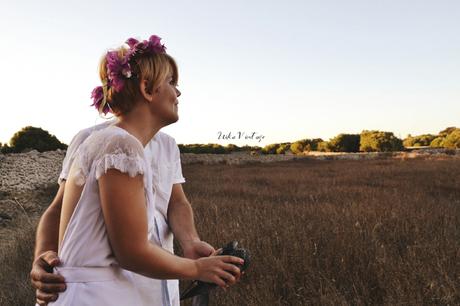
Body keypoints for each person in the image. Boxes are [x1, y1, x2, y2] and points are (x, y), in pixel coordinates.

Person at [30, 35, 243, 305]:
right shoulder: (116, 144)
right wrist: (198, 269)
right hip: (102, 291)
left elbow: (177, 202)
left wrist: (190, 243)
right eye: (171, 82)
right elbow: (127, 250)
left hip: (157, 277)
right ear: (146, 88)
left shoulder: (162, 145)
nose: (178, 93)